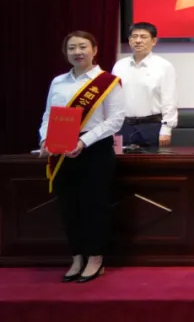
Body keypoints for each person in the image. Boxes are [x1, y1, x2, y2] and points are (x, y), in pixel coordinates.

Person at [38, 31, 124, 283]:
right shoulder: (58, 82)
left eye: (83, 47)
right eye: (72, 48)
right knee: (69, 207)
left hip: (94, 149)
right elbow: (48, 115)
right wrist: (44, 139)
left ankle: (96, 258)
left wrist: (84, 141)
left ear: (94, 50)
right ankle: (77, 256)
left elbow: (115, 120)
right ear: (66, 52)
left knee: (94, 206)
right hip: (61, 149)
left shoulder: (108, 82)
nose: (77, 52)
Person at [112, 22, 177, 148]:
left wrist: (166, 129)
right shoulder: (119, 66)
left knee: (152, 160)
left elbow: (169, 100)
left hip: (152, 127)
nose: (138, 41)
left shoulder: (164, 66)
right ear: (129, 40)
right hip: (123, 126)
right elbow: (113, 99)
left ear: (153, 41)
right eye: (134, 36)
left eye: (143, 37)